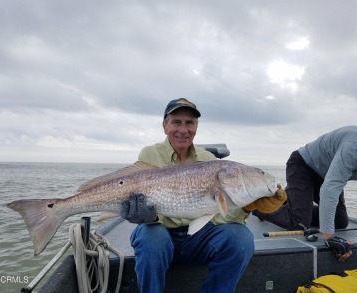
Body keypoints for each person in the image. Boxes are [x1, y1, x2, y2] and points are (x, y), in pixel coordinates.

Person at [121, 98, 286, 292]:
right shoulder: (149, 154)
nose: (183, 130)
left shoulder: (210, 160)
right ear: (165, 126)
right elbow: (144, 211)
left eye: (189, 123)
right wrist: (142, 215)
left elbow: (219, 216)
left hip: (198, 238)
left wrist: (248, 206)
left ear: (196, 127)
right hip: (161, 235)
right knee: (152, 236)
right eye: (176, 122)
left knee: (240, 238)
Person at [253, 125, 357, 261]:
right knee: (298, 222)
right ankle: (258, 204)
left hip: (325, 174)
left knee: (340, 221)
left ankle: (292, 201)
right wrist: (329, 237)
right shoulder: (353, 147)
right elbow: (330, 189)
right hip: (303, 164)